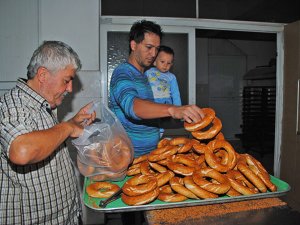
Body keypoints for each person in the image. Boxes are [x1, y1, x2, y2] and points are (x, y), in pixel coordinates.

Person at [0, 41, 96, 225]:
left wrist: (71, 123)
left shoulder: (45, 104)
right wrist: (67, 127)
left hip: (66, 217)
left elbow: (47, 137)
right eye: (66, 80)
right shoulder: (13, 105)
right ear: (43, 75)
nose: (70, 88)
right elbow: (21, 151)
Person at [109, 20, 204, 157]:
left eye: (157, 48)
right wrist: (173, 109)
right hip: (128, 159)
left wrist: (182, 115)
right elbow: (132, 107)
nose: (154, 54)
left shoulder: (144, 76)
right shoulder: (123, 73)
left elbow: (149, 113)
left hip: (148, 156)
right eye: (148, 47)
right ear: (133, 45)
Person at [145, 45, 182, 137]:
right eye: (162, 62)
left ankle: (159, 136)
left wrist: (179, 109)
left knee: (161, 125)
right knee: (150, 123)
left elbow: (175, 94)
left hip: (165, 104)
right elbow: (143, 89)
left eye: (168, 63)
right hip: (151, 103)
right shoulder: (148, 73)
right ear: (154, 62)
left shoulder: (171, 77)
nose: (165, 65)